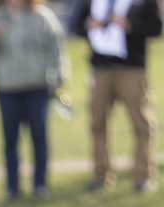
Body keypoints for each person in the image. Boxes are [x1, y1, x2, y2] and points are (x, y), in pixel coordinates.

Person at [0, 0, 69, 202]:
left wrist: (60, 75)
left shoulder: (42, 16)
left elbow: (56, 47)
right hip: (7, 87)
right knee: (10, 140)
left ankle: (40, 185)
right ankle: (12, 188)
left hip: (36, 87)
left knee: (39, 136)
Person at [67, 0, 162, 194]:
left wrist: (130, 25)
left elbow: (156, 28)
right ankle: (101, 175)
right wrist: (87, 26)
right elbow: (75, 26)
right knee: (97, 123)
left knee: (142, 123)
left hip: (132, 69)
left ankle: (143, 176)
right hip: (100, 69)